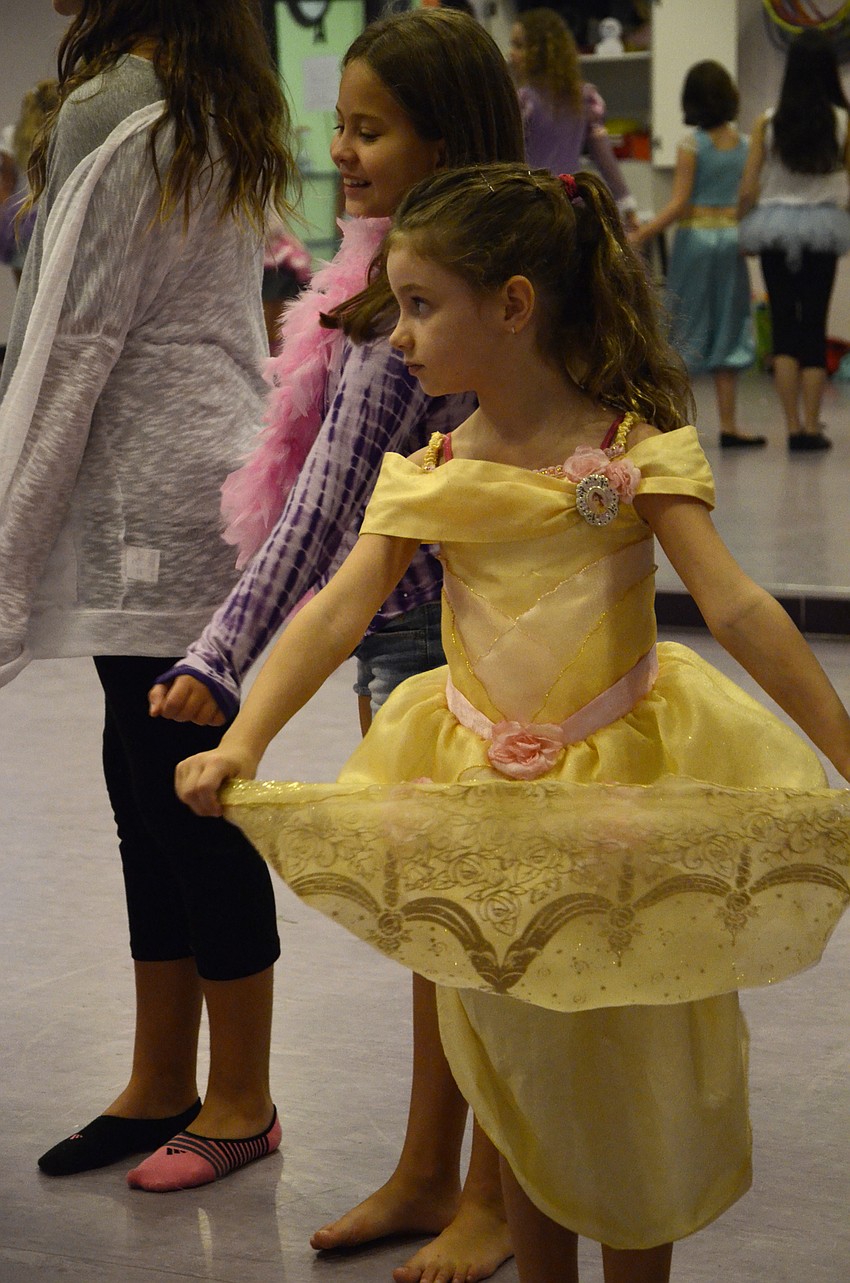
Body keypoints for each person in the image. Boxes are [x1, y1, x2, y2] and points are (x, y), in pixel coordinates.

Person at [174, 163, 850, 1283]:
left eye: (422, 304)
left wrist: (841, 742)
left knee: (632, 1059)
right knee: (520, 1068)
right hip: (482, 799)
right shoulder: (434, 470)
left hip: (626, 794)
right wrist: (243, 734)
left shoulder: (633, 452)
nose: (397, 334)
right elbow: (337, 609)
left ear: (515, 305)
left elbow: (733, 602)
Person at [147, 9, 524, 1279]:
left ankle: (491, 1189)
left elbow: (321, 519)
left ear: (444, 137)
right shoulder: (381, 293)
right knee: (439, 928)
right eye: (341, 125)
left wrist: (218, 653)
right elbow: (324, 520)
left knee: (481, 934)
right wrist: (227, 657)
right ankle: (433, 1165)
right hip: (409, 646)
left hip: (483, 648)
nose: (343, 150)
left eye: (370, 129)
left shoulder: (438, 304)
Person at [0, 0, 297, 1189]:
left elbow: (64, 342)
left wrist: (8, 557)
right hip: (210, 476)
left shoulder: (116, 103)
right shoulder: (216, 91)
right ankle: (165, 1073)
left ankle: (240, 1098)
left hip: (150, 500)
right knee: (151, 783)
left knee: (177, 794)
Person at [629, 61, 760, 448]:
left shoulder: (690, 145)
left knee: (684, 327)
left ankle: (674, 423)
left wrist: (642, 233)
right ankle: (730, 424)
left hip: (697, 242)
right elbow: (748, 198)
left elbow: (680, 204)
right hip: (731, 240)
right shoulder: (747, 145)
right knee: (729, 327)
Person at [738, 28, 850, 452]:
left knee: (784, 326)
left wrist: (740, 226)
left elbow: (749, 188)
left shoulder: (768, 121)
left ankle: (790, 426)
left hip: (773, 229)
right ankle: (810, 426)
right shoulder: (843, 123)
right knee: (814, 327)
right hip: (824, 229)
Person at [507, 8, 638, 231]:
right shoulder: (584, 98)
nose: (511, 54)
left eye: (519, 46)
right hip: (570, 209)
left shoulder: (523, 102)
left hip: (531, 211)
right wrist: (627, 205)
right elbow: (605, 158)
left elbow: (506, 159)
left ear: (542, 51)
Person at [0, 81, 60, 283]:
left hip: (18, 218)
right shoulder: (56, 135)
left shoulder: (12, 136)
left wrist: (6, 217)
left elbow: (6, 184)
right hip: (50, 214)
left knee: (24, 291)